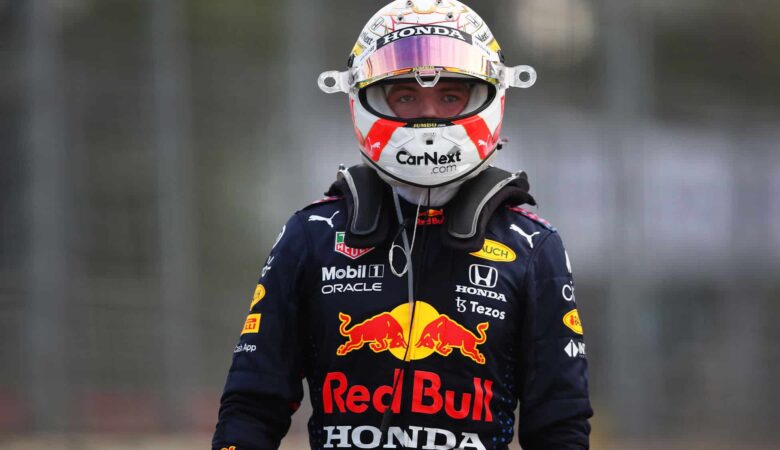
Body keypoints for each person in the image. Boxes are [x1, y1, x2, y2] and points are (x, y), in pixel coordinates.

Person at [212, 1, 592, 449]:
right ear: (363, 99)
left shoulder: (532, 245)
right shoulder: (311, 234)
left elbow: (560, 426)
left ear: (491, 96)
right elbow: (253, 406)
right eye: (406, 96)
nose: (426, 114)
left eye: (450, 96)